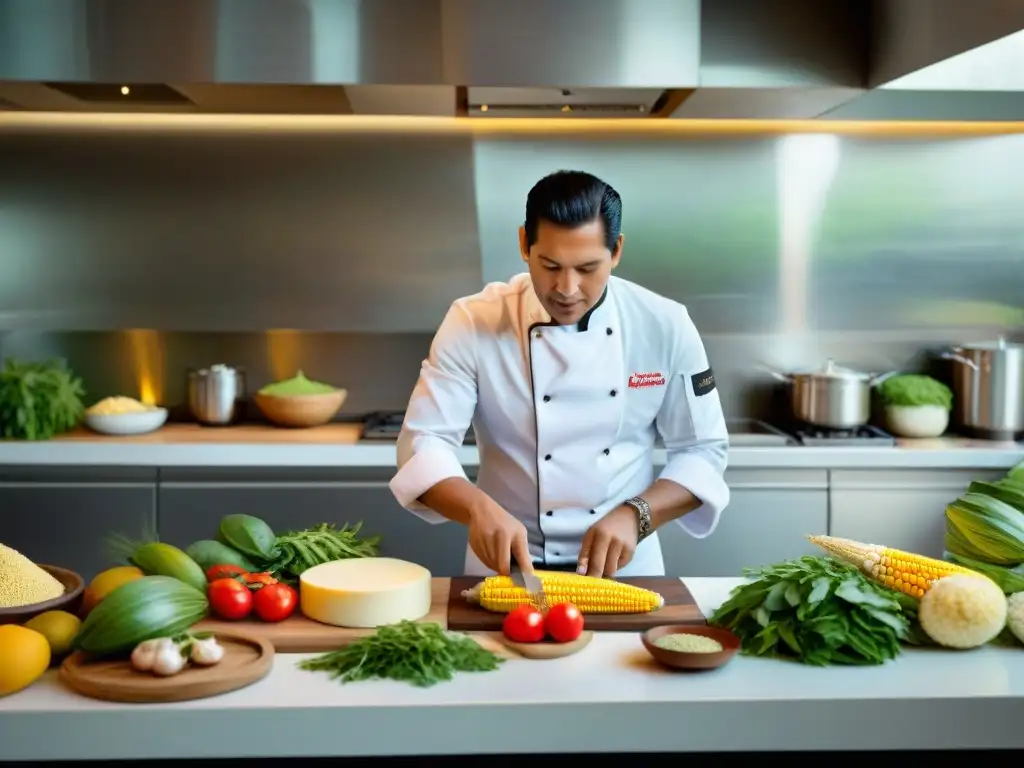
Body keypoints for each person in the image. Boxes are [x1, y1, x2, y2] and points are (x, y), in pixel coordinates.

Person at [389, 170, 730, 578]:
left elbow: (702, 451)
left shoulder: (664, 324)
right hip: (508, 568)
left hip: (627, 568)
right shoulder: (473, 321)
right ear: (523, 244)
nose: (567, 288)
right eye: (550, 265)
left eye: (587, 268)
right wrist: (478, 508)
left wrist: (637, 514)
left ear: (617, 250)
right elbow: (424, 443)